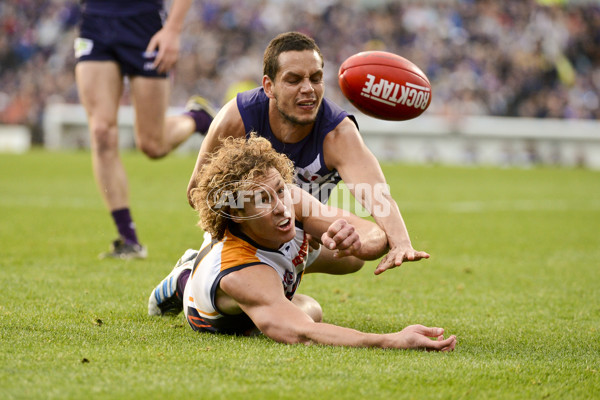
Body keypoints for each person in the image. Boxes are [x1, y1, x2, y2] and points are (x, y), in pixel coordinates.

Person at [149, 135, 456, 351]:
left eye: (280, 191)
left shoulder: (289, 200)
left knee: (349, 260)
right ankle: (184, 279)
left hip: (267, 259)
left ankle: (263, 276)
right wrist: (394, 339)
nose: (282, 206)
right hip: (217, 310)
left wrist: (354, 240)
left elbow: (369, 230)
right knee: (307, 316)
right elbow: (304, 334)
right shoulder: (240, 273)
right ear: (237, 214)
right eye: (262, 200)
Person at [187, 31, 429, 276]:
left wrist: (401, 243)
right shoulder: (237, 118)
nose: (308, 89)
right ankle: (196, 270)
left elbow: (378, 197)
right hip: (245, 230)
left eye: (316, 78)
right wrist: (256, 219)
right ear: (269, 86)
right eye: (293, 80)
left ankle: (256, 269)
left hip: (300, 230)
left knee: (353, 257)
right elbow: (197, 193)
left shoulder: (338, 133)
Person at [74, 0, 216, 259]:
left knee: (153, 145)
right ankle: (128, 239)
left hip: (144, 23)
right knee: (101, 132)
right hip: (95, 21)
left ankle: (196, 118)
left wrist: (173, 30)